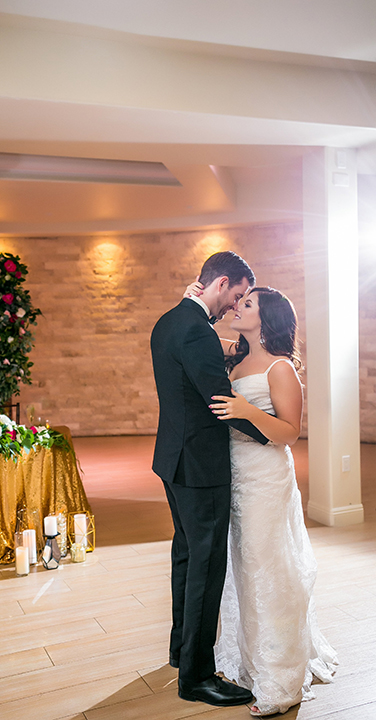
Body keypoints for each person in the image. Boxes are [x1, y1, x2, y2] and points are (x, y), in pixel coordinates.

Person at [185, 280, 338, 717]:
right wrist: (195, 298)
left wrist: (248, 410)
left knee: (267, 568)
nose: (237, 305)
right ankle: (255, 663)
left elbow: (289, 432)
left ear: (265, 318)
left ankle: (281, 681)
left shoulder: (280, 369)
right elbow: (199, 329)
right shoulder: (236, 355)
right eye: (237, 299)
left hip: (265, 477)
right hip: (232, 475)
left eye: (247, 303)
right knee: (244, 569)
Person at [150, 251, 270, 708]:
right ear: (221, 283)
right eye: (236, 295)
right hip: (201, 466)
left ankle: (183, 652)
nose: (233, 307)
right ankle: (197, 677)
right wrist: (273, 436)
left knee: (186, 555)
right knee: (206, 564)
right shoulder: (198, 331)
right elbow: (221, 401)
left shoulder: (169, 321)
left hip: (173, 459)